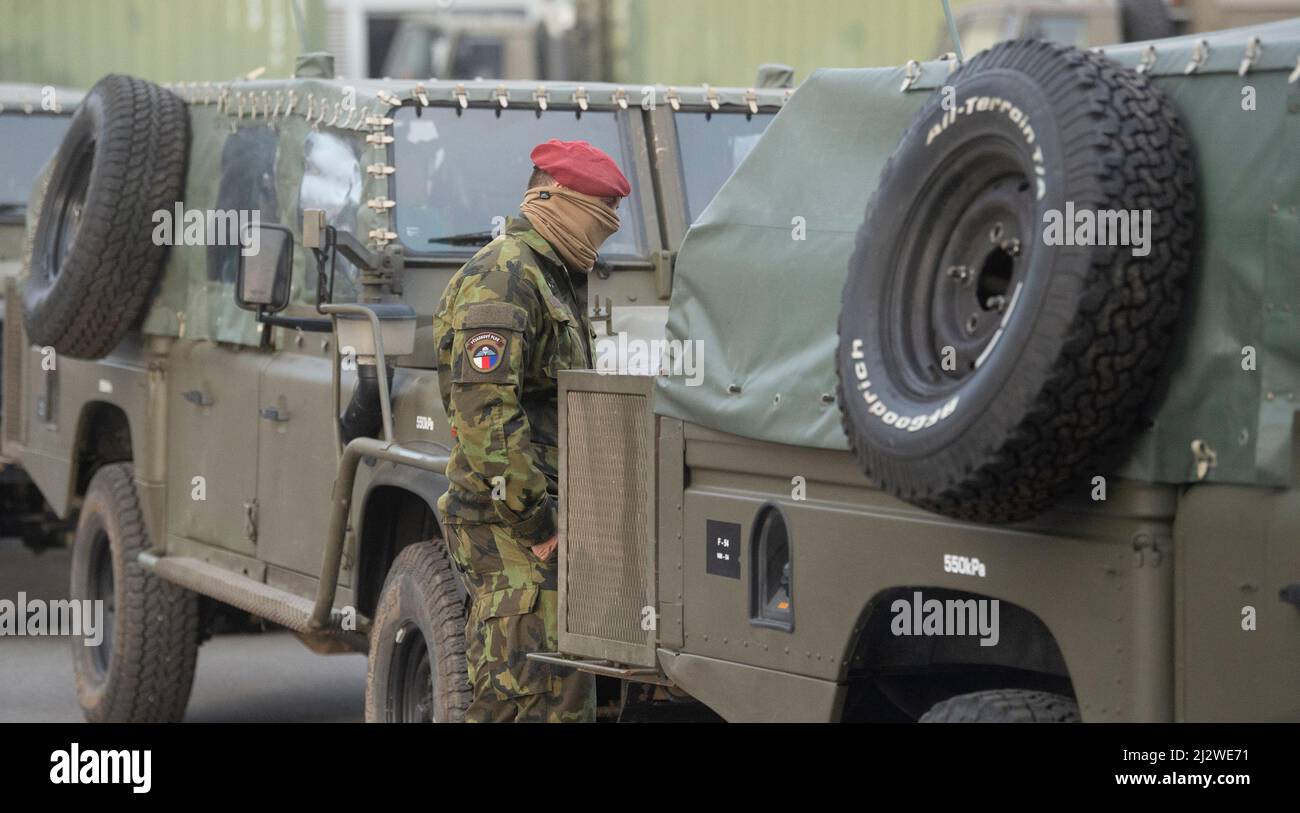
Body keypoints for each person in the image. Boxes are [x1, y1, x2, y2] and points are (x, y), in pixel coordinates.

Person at [432, 139, 631, 723]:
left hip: (540, 525)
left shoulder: (549, 275)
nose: (607, 229)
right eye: (598, 214)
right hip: (511, 528)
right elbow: (485, 415)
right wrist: (537, 521)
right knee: (527, 699)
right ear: (553, 197)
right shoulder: (505, 275)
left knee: (557, 698)